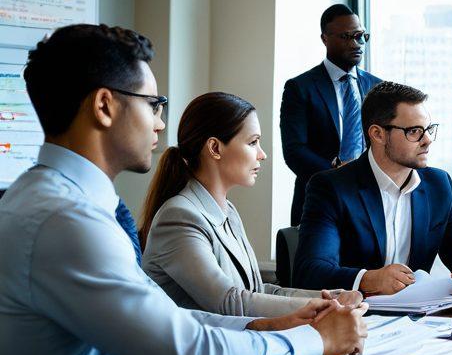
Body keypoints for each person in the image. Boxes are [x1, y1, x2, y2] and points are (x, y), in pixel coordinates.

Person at [0, 24, 367, 355]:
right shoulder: (66, 222)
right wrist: (317, 343)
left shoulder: (57, 203)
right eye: (153, 104)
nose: (159, 124)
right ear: (105, 106)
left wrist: (268, 325)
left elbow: (166, 316)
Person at [141, 91, 364, 317]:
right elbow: (230, 302)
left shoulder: (229, 212)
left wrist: (331, 297)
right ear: (215, 148)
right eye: (253, 142)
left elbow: (257, 291)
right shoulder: (178, 216)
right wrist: (325, 308)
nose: (262, 154)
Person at [294, 81, 452, 295]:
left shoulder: (439, 185)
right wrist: (369, 279)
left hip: (417, 318)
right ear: (378, 134)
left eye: (429, 129)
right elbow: (310, 273)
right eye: (414, 131)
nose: (427, 140)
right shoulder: (331, 188)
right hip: (354, 317)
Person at [280, 3, 382, 225]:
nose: (357, 43)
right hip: (318, 197)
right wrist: (339, 173)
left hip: (371, 199)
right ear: (325, 38)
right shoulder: (301, 87)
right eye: (347, 36)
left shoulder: (378, 88)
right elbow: (294, 151)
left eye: (361, 36)